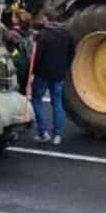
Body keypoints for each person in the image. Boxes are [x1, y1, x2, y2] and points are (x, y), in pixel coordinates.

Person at [28, 8, 74, 145]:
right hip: (59, 73)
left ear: (46, 19)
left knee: (36, 99)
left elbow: (37, 56)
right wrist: (66, 66)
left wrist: (33, 71)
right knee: (57, 102)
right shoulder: (67, 33)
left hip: (43, 74)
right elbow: (72, 52)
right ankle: (58, 134)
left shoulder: (43, 35)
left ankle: (43, 133)